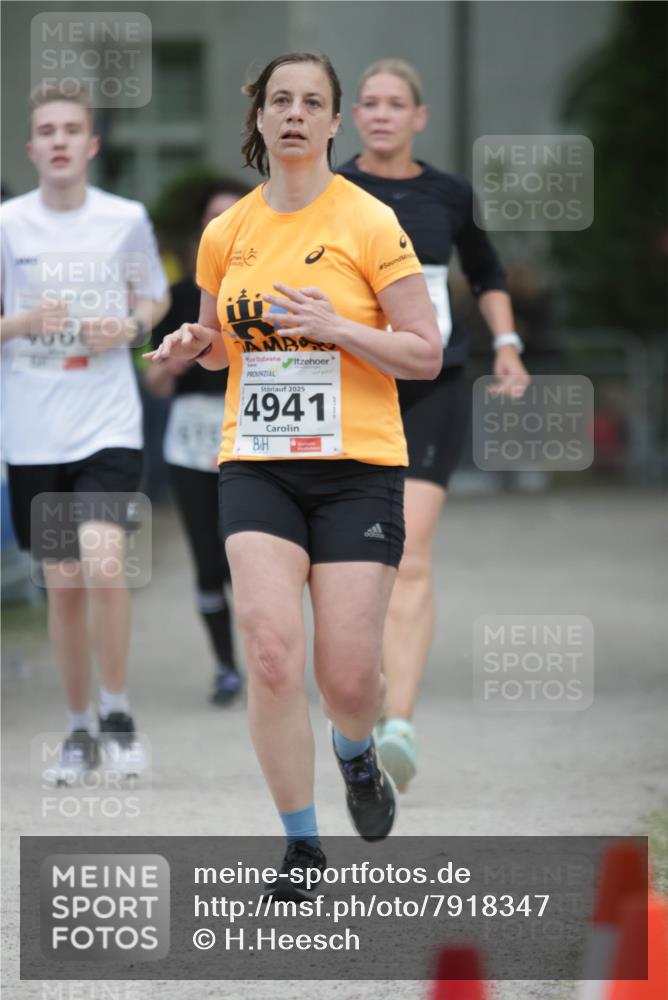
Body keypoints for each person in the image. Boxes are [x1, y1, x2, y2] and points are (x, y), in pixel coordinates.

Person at [144, 51, 441, 897]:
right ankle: (302, 845)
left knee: (348, 680)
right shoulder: (226, 230)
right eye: (282, 100)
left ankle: (357, 754)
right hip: (256, 464)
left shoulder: (371, 222)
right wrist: (189, 344)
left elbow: (423, 353)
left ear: (334, 121)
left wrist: (340, 327)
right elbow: (218, 334)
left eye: (314, 102)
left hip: (358, 467)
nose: (296, 114)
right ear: (262, 117)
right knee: (272, 654)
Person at [339, 59, 530, 792]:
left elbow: (487, 273)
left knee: (411, 556)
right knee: (362, 563)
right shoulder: (331, 191)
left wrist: (506, 347)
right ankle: (366, 693)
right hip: (350, 390)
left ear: (419, 117)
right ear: (354, 116)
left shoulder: (448, 194)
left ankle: (400, 724)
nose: (381, 114)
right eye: (369, 103)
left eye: (396, 104)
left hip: (432, 386)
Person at [0, 83, 170, 783]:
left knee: (103, 564)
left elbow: (156, 297)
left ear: (92, 145)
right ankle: (77, 731)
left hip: (107, 417)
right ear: (33, 146)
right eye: (49, 129)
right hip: (34, 427)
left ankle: (119, 710)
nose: (61, 139)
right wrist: (22, 323)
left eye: (73, 128)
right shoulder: (7, 225)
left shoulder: (124, 218)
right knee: (64, 585)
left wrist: (129, 328)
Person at [144, 177, 251, 705]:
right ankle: (226, 667)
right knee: (208, 562)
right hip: (190, 438)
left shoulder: (264, 292)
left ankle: (268, 659)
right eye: (214, 219)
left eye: (232, 219)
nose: (222, 229)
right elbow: (155, 379)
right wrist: (174, 360)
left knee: (252, 557)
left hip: (252, 433)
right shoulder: (182, 296)